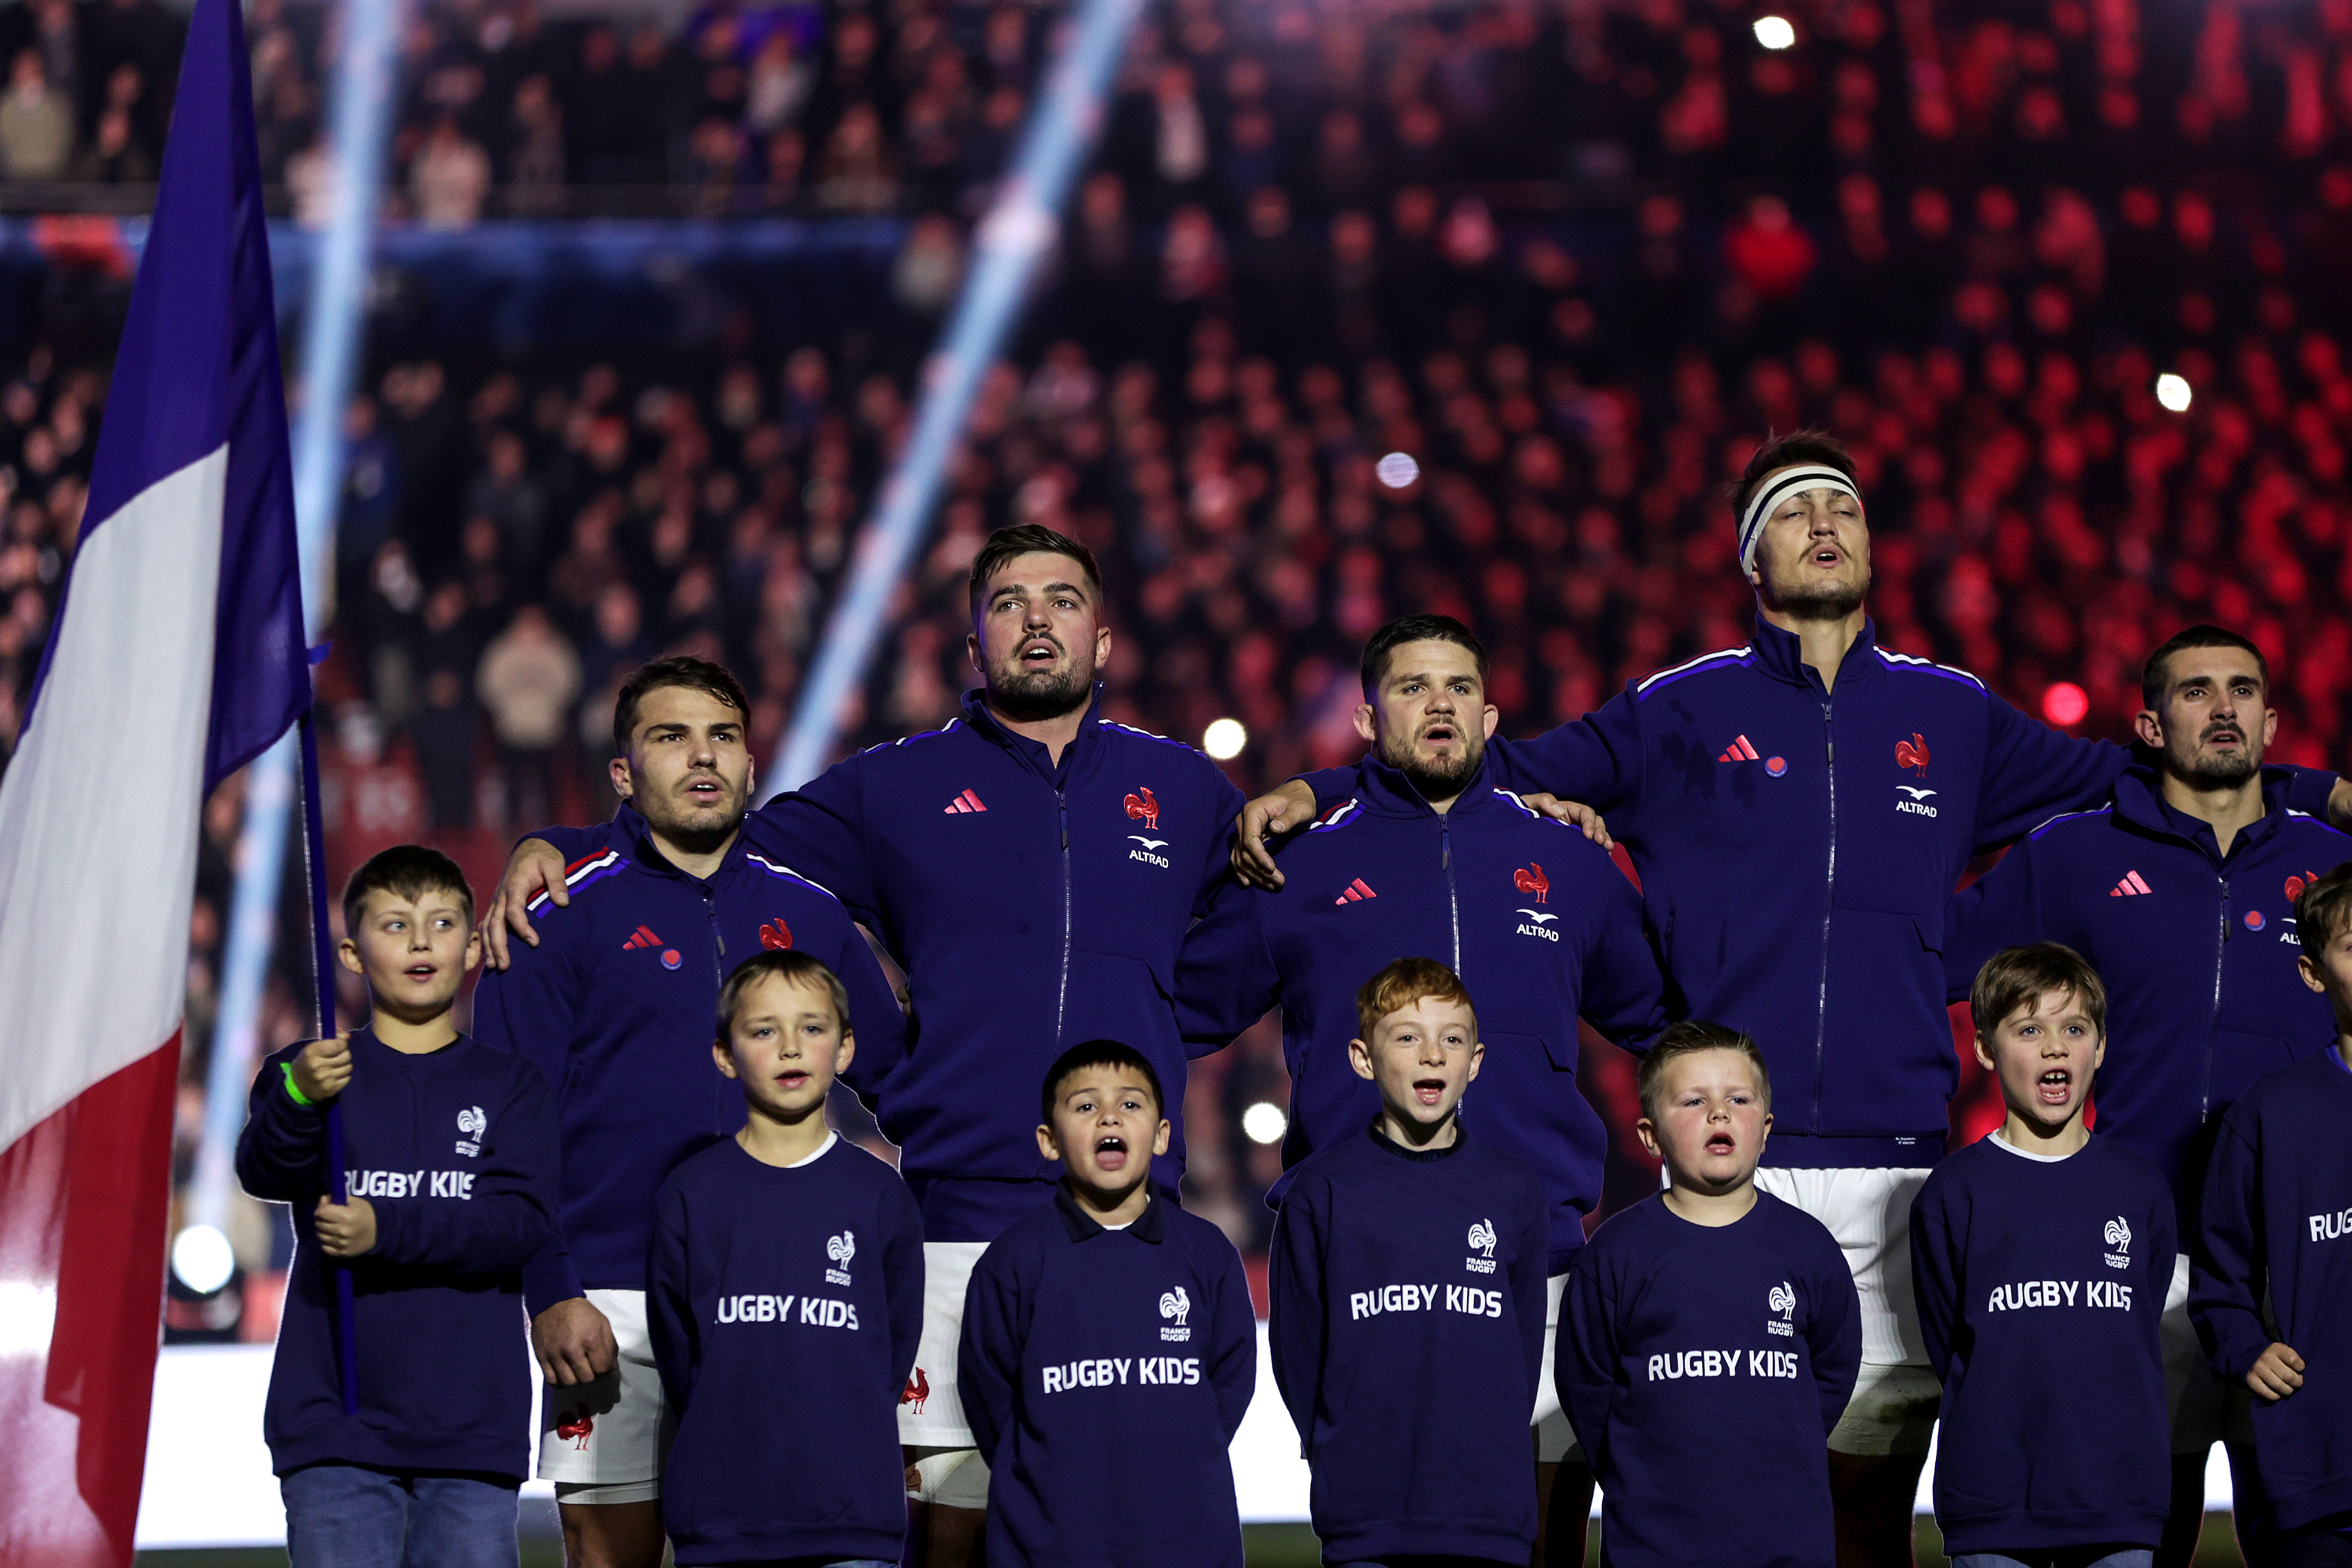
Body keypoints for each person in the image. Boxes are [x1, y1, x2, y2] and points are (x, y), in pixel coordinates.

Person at [1237, 431, 2350, 1563]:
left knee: (1869, 1510)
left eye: (1844, 508)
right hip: (1727, 1159)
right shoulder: (1675, 710)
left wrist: (2311, 789)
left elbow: (2147, 769)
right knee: (1710, 1491)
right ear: (1748, 558)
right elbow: (1470, 763)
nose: (1824, 525)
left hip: (1898, 1165)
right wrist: (1320, 789)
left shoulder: (1953, 714)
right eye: (1794, 510)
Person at [483, 524, 1247, 1566]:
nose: (1037, 622)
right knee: (943, 1526)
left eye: (1062, 600)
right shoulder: (896, 786)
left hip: (1126, 1221)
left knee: (1116, 1517)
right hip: (951, 1219)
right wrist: (563, 848)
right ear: (973, 643)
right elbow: (710, 837)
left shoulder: (1187, 789)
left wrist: (1161, 1011)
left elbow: (1294, 884)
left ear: (1103, 638)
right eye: (1009, 602)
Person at [1177, 612, 1665, 1567]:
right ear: (1368, 718)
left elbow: (1660, 1022)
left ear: (1490, 718)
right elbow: (1176, 1011)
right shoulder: (1300, 865)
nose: (1437, 705)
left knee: (1544, 1543)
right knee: (1385, 1543)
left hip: (1543, 1259)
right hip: (1367, 1268)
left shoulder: (1569, 860)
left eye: (1457, 688)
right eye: (1411, 687)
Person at [471, 656, 908, 1568]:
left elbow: (905, 1082)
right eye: (671, 737)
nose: (702, 756)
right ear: (624, 772)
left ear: (750, 763)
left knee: (775, 1554)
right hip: (610, 1294)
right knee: (608, 1556)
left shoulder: (810, 912)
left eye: (722, 737)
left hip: (785, 1295)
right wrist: (552, 1289)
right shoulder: (554, 914)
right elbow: (511, 1127)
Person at [1942, 626, 2352, 1563]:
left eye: (2243, 689)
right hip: (2138, 1247)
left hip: (2300, 1257)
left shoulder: (2332, 863)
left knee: (2308, 1527)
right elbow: (1928, 961)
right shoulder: (2074, 854)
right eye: (2196, 690)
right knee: (2138, 1531)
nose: (2223, 707)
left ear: (2271, 721)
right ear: (2150, 725)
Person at [236, 847, 557, 1568]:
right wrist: (298, 1099)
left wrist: (385, 1229)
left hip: (470, 1429)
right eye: (394, 924)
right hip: (335, 1426)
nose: (420, 941)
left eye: (442, 923)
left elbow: (519, 1226)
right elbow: (263, 1170)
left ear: (472, 948)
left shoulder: (513, 1086)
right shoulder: (306, 1071)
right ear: (351, 953)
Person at [1268, 957, 1549, 1567]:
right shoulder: (1321, 1191)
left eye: (1453, 1039)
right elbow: (1298, 1354)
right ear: (1362, 1058)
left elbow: (1521, 1352)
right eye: (1407, 1037)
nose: (1432, 1055)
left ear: (1475, 1061)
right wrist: (1339, 1457)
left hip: (1489, 1515)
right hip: (1366, 1516)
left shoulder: (1514, 1189)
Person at [647, 950, 923, 1568]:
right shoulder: (690, 1192)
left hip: (851, 1519)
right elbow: (680, 1355)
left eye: (812, 1026)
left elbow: (892, 1350)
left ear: (845, 1049)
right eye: (765, 1030)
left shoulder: (882, 1196)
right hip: (723, 1522)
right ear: (725, 1054)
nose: (791, 1047)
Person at [1910, 944, 2174, 1568]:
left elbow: (2140, 1318)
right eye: (2030, 1029)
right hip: (1994, 1503)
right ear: (1985, 1048)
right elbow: (1950, 1342)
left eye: (2074, 1028)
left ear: (2100, 1048)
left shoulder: (2140, 1186)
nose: (2056, 1047)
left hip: (2118, 1498)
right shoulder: (1953, 1191)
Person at [1558, 1022, 1860, 1568]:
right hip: (1653, 1549)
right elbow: (1587, 1385)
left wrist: (1785, 1442)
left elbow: (1833, 1370)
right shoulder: (1615, 1252)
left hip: (1788, 1546)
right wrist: (1636, 1471)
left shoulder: (1808, 1247)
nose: (1719, 1113)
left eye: (1738, 1099)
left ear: (1765, 1128)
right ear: (1650, 1135)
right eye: (1694, 1100)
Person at [958, 1041, 1256, 1568]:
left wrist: (1182, 1453)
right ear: (1050, 1141)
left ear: (1162, 1135)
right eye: (1086, 1105)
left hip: (1187, 1544)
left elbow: (1229, 1385)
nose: (1110, 1117)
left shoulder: (1207, 1254)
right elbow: (990, 1400)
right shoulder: (1013, 1261)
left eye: (1131, 1103)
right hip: (1050, 1549)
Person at [2192, 864, 2352, 1564]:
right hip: (2320, 1469)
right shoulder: (2272, 1113)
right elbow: (2218, 1276)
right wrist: (2245, 1347)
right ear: (2314, 974)